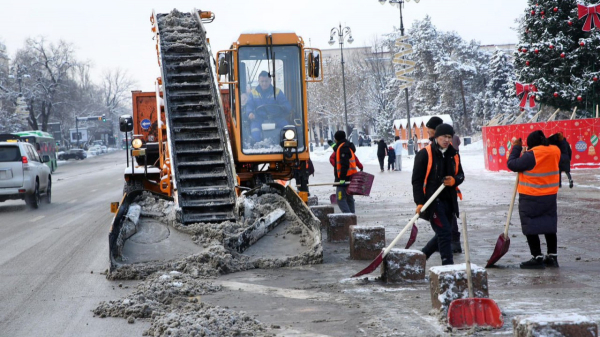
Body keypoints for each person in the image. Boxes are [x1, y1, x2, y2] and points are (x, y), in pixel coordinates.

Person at [507, 130, 561, 269]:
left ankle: (537, 257)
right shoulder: (555, 151)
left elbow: (512, 164)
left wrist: (517, 147)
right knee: (549, 225)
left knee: (530, 225)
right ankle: (552, 257)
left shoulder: (532, 155)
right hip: (549, 196)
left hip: (531, 196)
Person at [412, 124, 464, 266]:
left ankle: (422, 257)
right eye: (444, 137)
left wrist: (454, 180)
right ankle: (448, 265)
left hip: (449, 201)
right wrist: (420, 203)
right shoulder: (424, 154)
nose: (447, 140)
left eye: (449, 137)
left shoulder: (454, 154)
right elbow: (416, 181)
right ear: (436, 137)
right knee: (445, 232)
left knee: (443, 233)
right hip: (433, 202)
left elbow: (461, 175)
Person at [424, 116, 461, 253]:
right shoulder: (430, 147)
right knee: (442, 224)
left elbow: (456, 167)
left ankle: (452, 241)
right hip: (435, 191)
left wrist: (453, 180)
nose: (428, 133)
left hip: (447, 189)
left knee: (448, 220)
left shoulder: (449, 146)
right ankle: (445, 241)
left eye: (429, 130)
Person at [245, 71, 292, 142]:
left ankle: (286, 146)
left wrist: (284, 108)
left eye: (266, 81)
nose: (264, 83)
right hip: (258, 118)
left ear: (270, 81)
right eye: (262, 81)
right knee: (255, 132)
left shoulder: (277, 92)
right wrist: (250, 113)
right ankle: (257, 147)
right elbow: (249, 105)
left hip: (276, 118)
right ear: (258, 81)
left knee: (287, 130)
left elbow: (286, 104)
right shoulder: (253, 93)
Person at [331, 130, 361, 213]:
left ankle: (348, 217)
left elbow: (345, 165)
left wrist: (342, 178)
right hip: (350, 177)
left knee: (340, 198)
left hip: (345, 178)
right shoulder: (346, 146)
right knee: (349, 197)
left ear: (337, 139)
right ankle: (352, 217)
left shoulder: (343, 148)